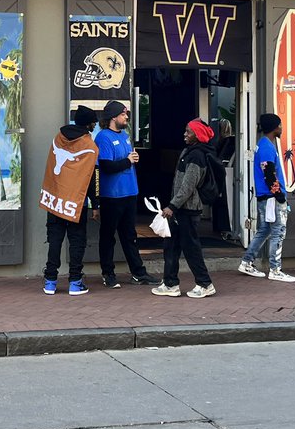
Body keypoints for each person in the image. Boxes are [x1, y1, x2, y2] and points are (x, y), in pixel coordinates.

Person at [94, 100, 158, 288]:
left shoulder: (126, 135)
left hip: (130, 191)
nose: (126, 117)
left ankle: (138, 272)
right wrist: (128, 160)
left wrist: (133, 159)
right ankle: (108, 273)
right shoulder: (103, 137)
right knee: (108, 236)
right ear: (113, 117)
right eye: (123, 114)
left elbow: (127, 159)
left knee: (130, 235)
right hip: (111, 195)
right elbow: (105, 166)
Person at [151, 118, 216, 298]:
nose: (184, 134)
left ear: (197, 135)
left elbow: (188, 186)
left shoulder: (196, 156)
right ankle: (170, 283)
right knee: (170, 245)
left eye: (188, 132)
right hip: (181, 209)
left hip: (187, 209)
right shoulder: (190, 151)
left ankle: (205, 283)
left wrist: (172, 205)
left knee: (190, 247)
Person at [39, 105, 99, 296]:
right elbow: (93, 177)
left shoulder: (59, 138)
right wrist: (95, 204)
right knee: (77, 241)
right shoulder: (89, 146)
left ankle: (50, 281)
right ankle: (75, 281)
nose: (95, 124)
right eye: (94, 122)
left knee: (54, 240)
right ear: (89, 124)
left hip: (55, 199)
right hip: (76, 203)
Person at [238, 113, 295, 282]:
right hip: (271, 198)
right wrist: (279, 196)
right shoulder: (267, 147)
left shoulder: (264, 145)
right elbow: (269, 175)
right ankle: (275, 269)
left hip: (266, 197)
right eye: (280, 125)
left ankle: (247, 261)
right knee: (279, 231)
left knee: (264, 230)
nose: (282, 128)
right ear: (275, 127)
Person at [210, 118, 236, 236]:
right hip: (226, 172)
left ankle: (219, 226)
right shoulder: (231, 141)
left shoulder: (222, 142)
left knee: (219, 200)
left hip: (220, 172)